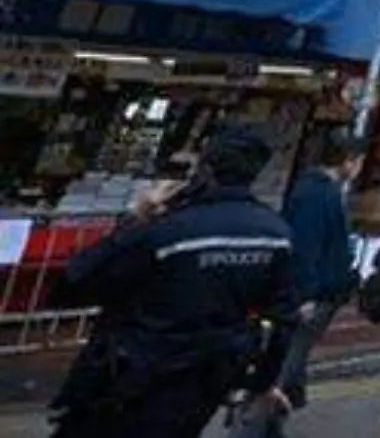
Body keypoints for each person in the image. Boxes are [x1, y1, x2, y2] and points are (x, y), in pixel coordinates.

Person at [50, 126, 299, 438]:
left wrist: (136, 217)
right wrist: (263, 382)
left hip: (130, 378)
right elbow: (284, 319)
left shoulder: (169, 227)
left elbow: (75, 281)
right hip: (203, 383)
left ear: (205, 170)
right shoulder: (276, 235)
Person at [234, 130, 365, 438]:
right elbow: (304, 249)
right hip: (308, 300)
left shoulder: (321, 190)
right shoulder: (317, 193)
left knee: (287, 372)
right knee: (278, 374)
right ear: (348, 161)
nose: (358, 167)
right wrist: (302, 297)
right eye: (358, 161)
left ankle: (271, 430)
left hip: (318, 296)